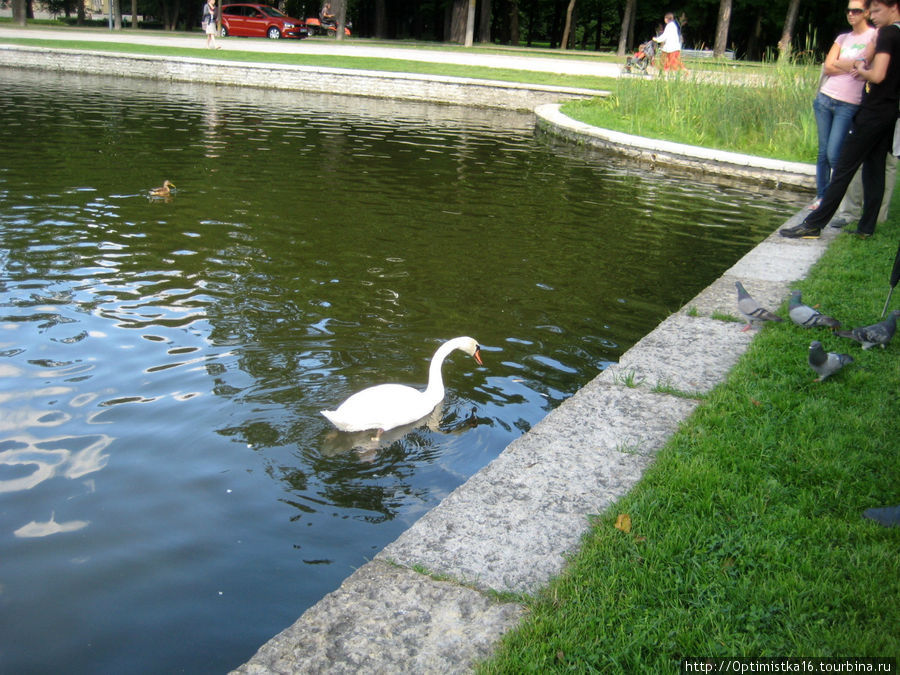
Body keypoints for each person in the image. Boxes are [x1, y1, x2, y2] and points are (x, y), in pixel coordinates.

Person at [781, 0, 900, 239]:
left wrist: (860, 67)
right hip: (890, 111)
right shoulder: (894, 33)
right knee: (874, 169)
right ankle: (866, 228)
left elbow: (876, 74)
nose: (872, 16)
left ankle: (814, 224)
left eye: (877, 10)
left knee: (844, 166)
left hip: (873, 110)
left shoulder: (887, 33)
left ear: (893, 7)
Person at [810, 0, 876, 211]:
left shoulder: (874, 36)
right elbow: (828, 67)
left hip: (848, 103)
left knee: (834, 153)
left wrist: (843, 63)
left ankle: (837, 200)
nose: (851, 14)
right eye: (848, 10)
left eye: (856, 10)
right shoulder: (843, 37)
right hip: (825, 98)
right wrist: (849, 65)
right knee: (822, 153)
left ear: (866, 12)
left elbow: (863, 64)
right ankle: (822, 197)